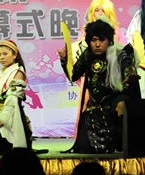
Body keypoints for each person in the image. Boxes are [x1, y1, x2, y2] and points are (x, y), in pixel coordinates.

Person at [58, 19, 140, 153]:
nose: (97, 44)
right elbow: (73, 76)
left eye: (102, 40)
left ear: (109, 40)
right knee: (84, 148)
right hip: (95, 106)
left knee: (122, 105)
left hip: (114, 101)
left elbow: (128, 67)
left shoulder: (120, 53)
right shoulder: (87, 55)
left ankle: (124, 142)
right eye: (93, 40)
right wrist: (64, 61)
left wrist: (130, 74)